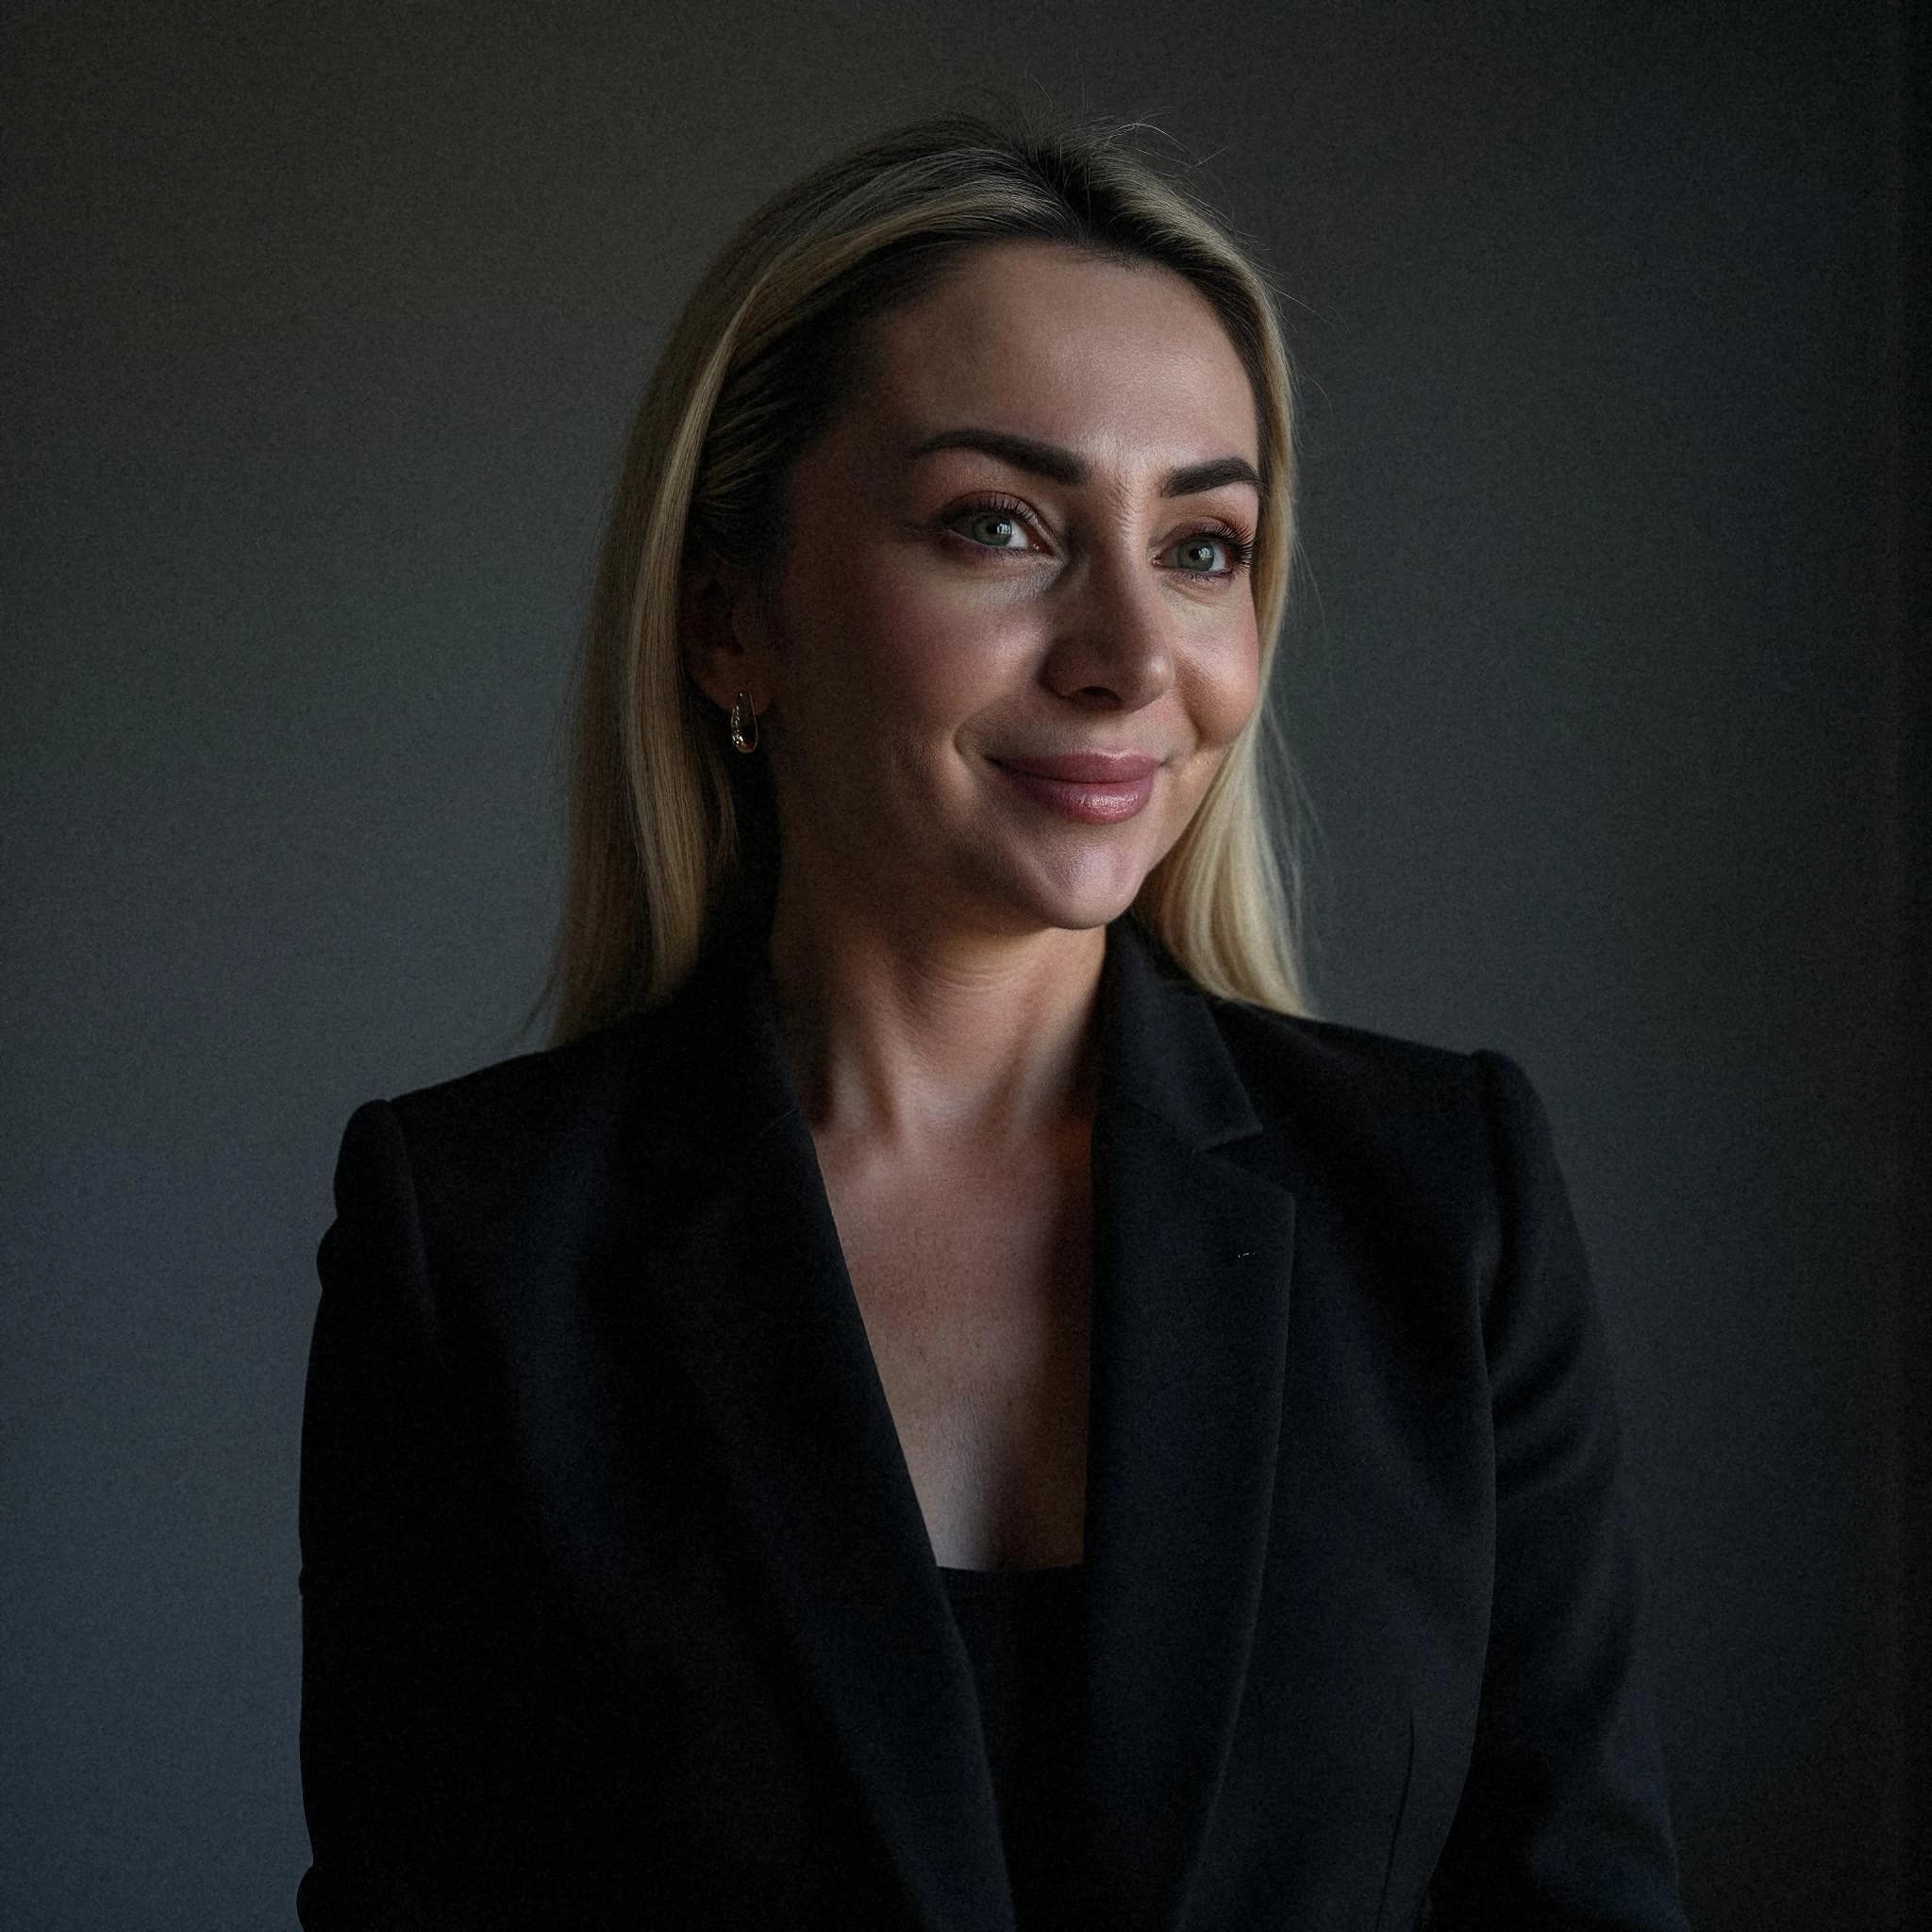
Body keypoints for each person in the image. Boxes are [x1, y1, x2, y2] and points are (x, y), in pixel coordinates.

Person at [295, 104, 1690, 1931]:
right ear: (731, 624)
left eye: (1202, 546)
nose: (1129, 650)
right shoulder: (474, 1235)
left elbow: (1578, 1893)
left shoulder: (1446, 1200)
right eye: (1001, 525)